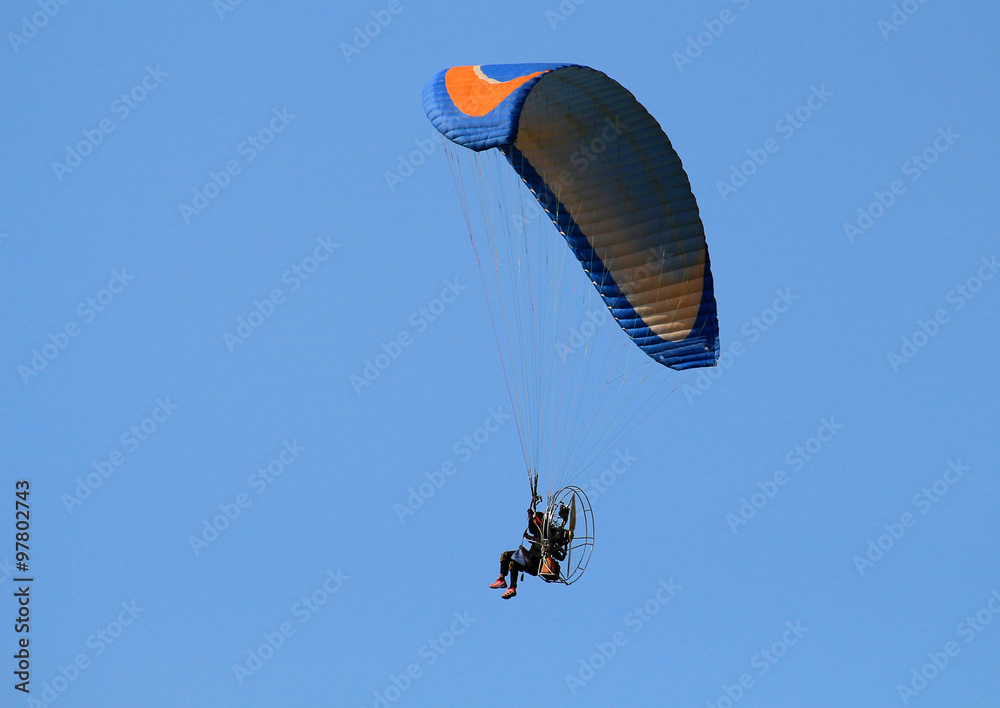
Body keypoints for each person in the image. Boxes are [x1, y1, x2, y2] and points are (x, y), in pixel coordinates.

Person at [490, 495, 544, 599]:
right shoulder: (536, 531)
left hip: (535, 562)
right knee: (507, 557)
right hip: (529, 558)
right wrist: (530, 515)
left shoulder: (546, 534)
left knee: (513, 559)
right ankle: (504, 582)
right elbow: (531, 528)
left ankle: (510, 586)